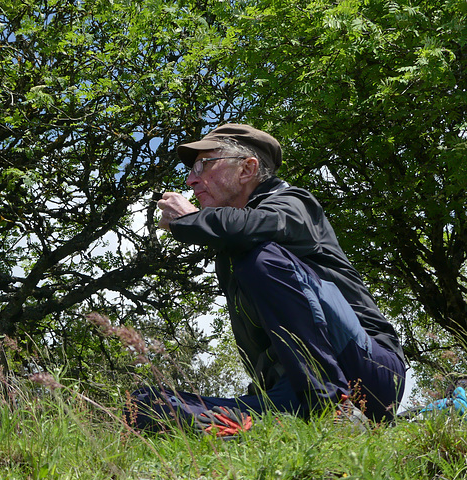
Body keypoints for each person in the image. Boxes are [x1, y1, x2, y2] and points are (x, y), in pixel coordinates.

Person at [130, 123, 405, 433]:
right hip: (293, 390)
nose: (191, 179)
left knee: (259, 259)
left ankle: (333, 410)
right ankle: (286, 425)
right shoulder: (232, 251)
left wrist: (191, 220)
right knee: (146, 405)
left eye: (202, 165)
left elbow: (250, 227)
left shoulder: (294, 204)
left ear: (247, 169)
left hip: (369, 373)